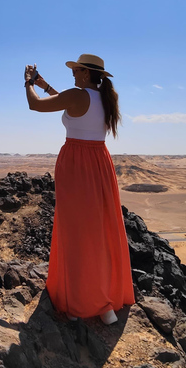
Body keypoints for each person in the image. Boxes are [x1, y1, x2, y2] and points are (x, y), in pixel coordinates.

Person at [24, 54, 134, 325]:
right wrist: (45, 84)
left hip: (76, 164)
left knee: (76, 233)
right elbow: (72, 103)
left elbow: (35, 105)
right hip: (100, 163)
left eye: (76, 70)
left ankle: (78, 304)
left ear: (85, 73)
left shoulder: (77, 95)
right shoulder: (104, 98)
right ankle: (105, 304)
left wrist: (28, 83)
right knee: (99, 231)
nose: (73, 74)